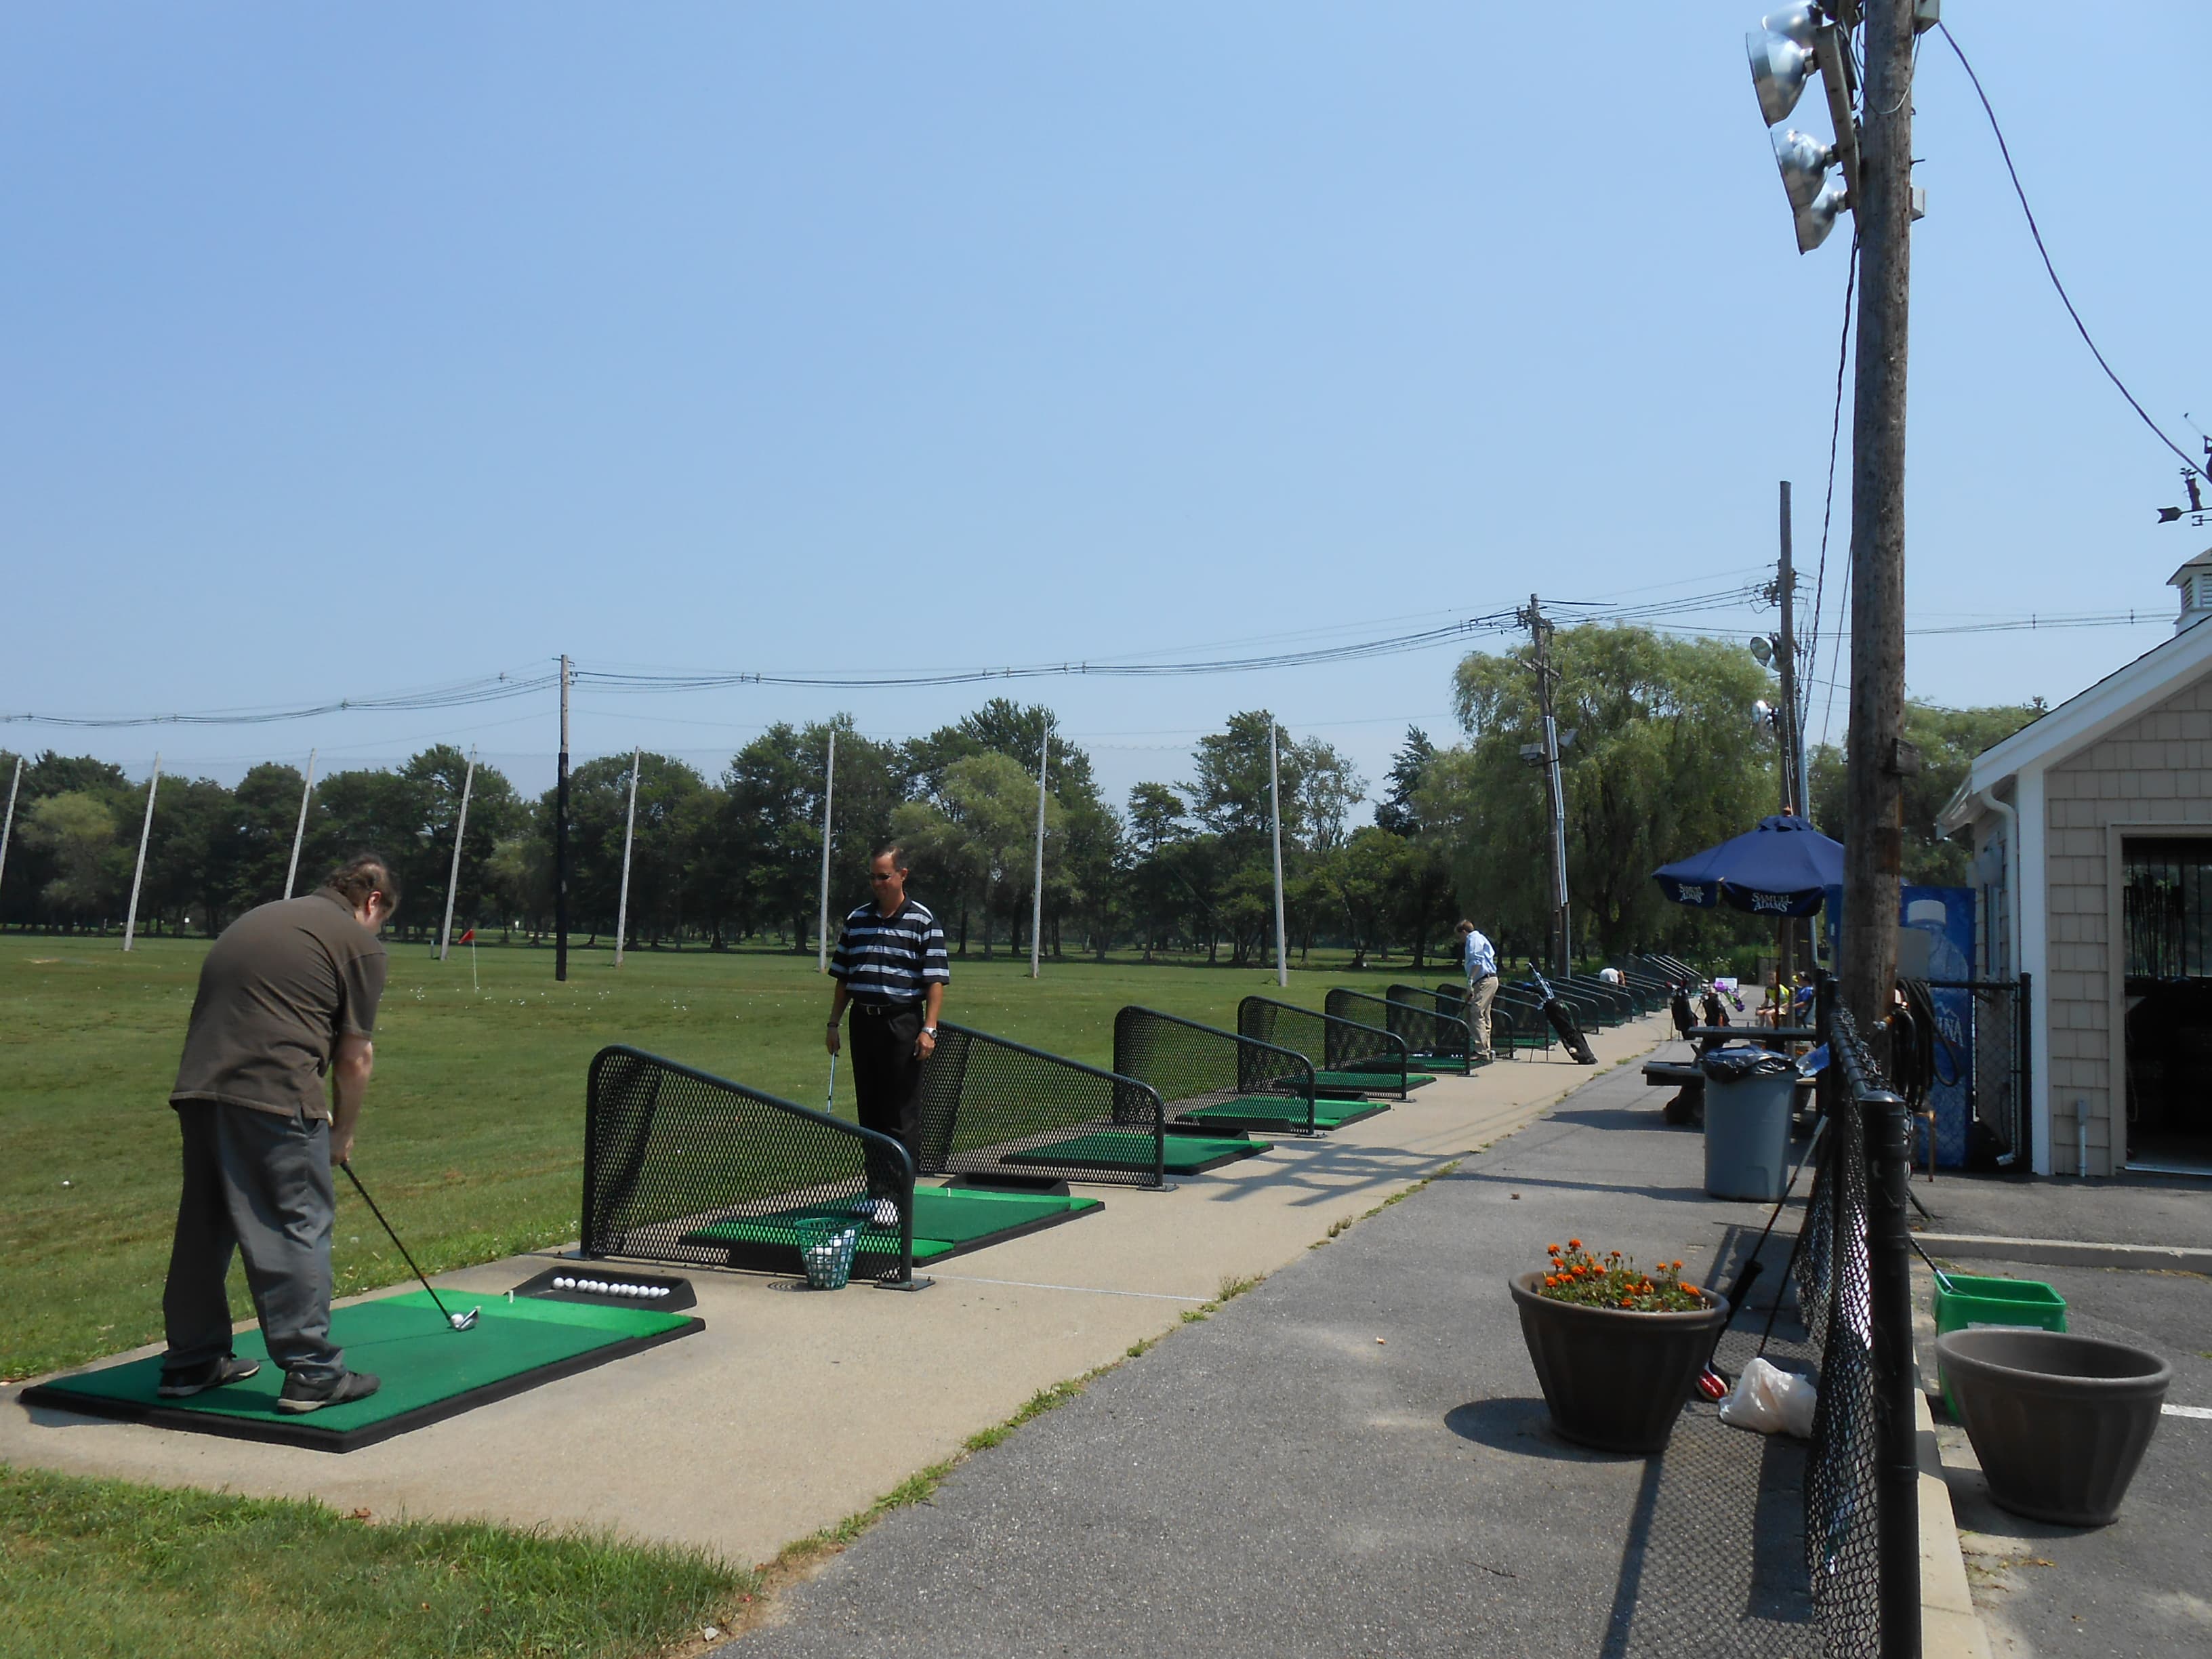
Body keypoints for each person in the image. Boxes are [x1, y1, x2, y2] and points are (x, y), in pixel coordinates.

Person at [159, 855, 396, 1413]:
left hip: (200, 1088)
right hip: (274, 1094)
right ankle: (313, 1372)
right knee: (298, 1222)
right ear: (373, 902)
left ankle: (192, 1361)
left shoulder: (265, 915)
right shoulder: (358, 942)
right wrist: (343, 1135)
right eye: (383, 918)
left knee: (205, 1227)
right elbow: (355, 1057)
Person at [825, 844, 950, 1225]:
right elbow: (844, 978)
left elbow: (935, 982)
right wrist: (833, 1023)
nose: (878, 883)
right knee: (871, 1111)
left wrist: (929, 1029)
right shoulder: (858, 919)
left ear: (902, 875)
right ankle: (876, 1191)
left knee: (901, 1113)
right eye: (873, 877)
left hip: (903, 1023)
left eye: (884, 876)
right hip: (865, 1021)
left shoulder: (923, 920)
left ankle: (897, 1197)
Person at [1456, 918, 1498, 1063]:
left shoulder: (1473, 940)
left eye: (1459, 936)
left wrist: (1470, 981)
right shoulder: (1481, 938)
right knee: (1484, 1015)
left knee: (1476, 1012)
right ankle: (1486, 1049)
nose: (1459, 939)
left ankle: (1481, 1051)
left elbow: (1477, 961)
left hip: (1484, 980)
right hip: (1489, 980)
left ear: (1464, 932)